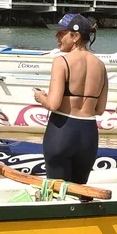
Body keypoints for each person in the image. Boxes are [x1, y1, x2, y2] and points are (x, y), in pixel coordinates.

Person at [33, 14, 107, 184]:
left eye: (61, 33)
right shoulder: (101, 66)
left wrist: (40, 97)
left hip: (62, 131)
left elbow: (53, 104)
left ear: (75, 36)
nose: (56, 37)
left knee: (56, 192)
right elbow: (100, 109)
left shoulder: (62, 62)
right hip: (88, 133)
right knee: (79, 192)